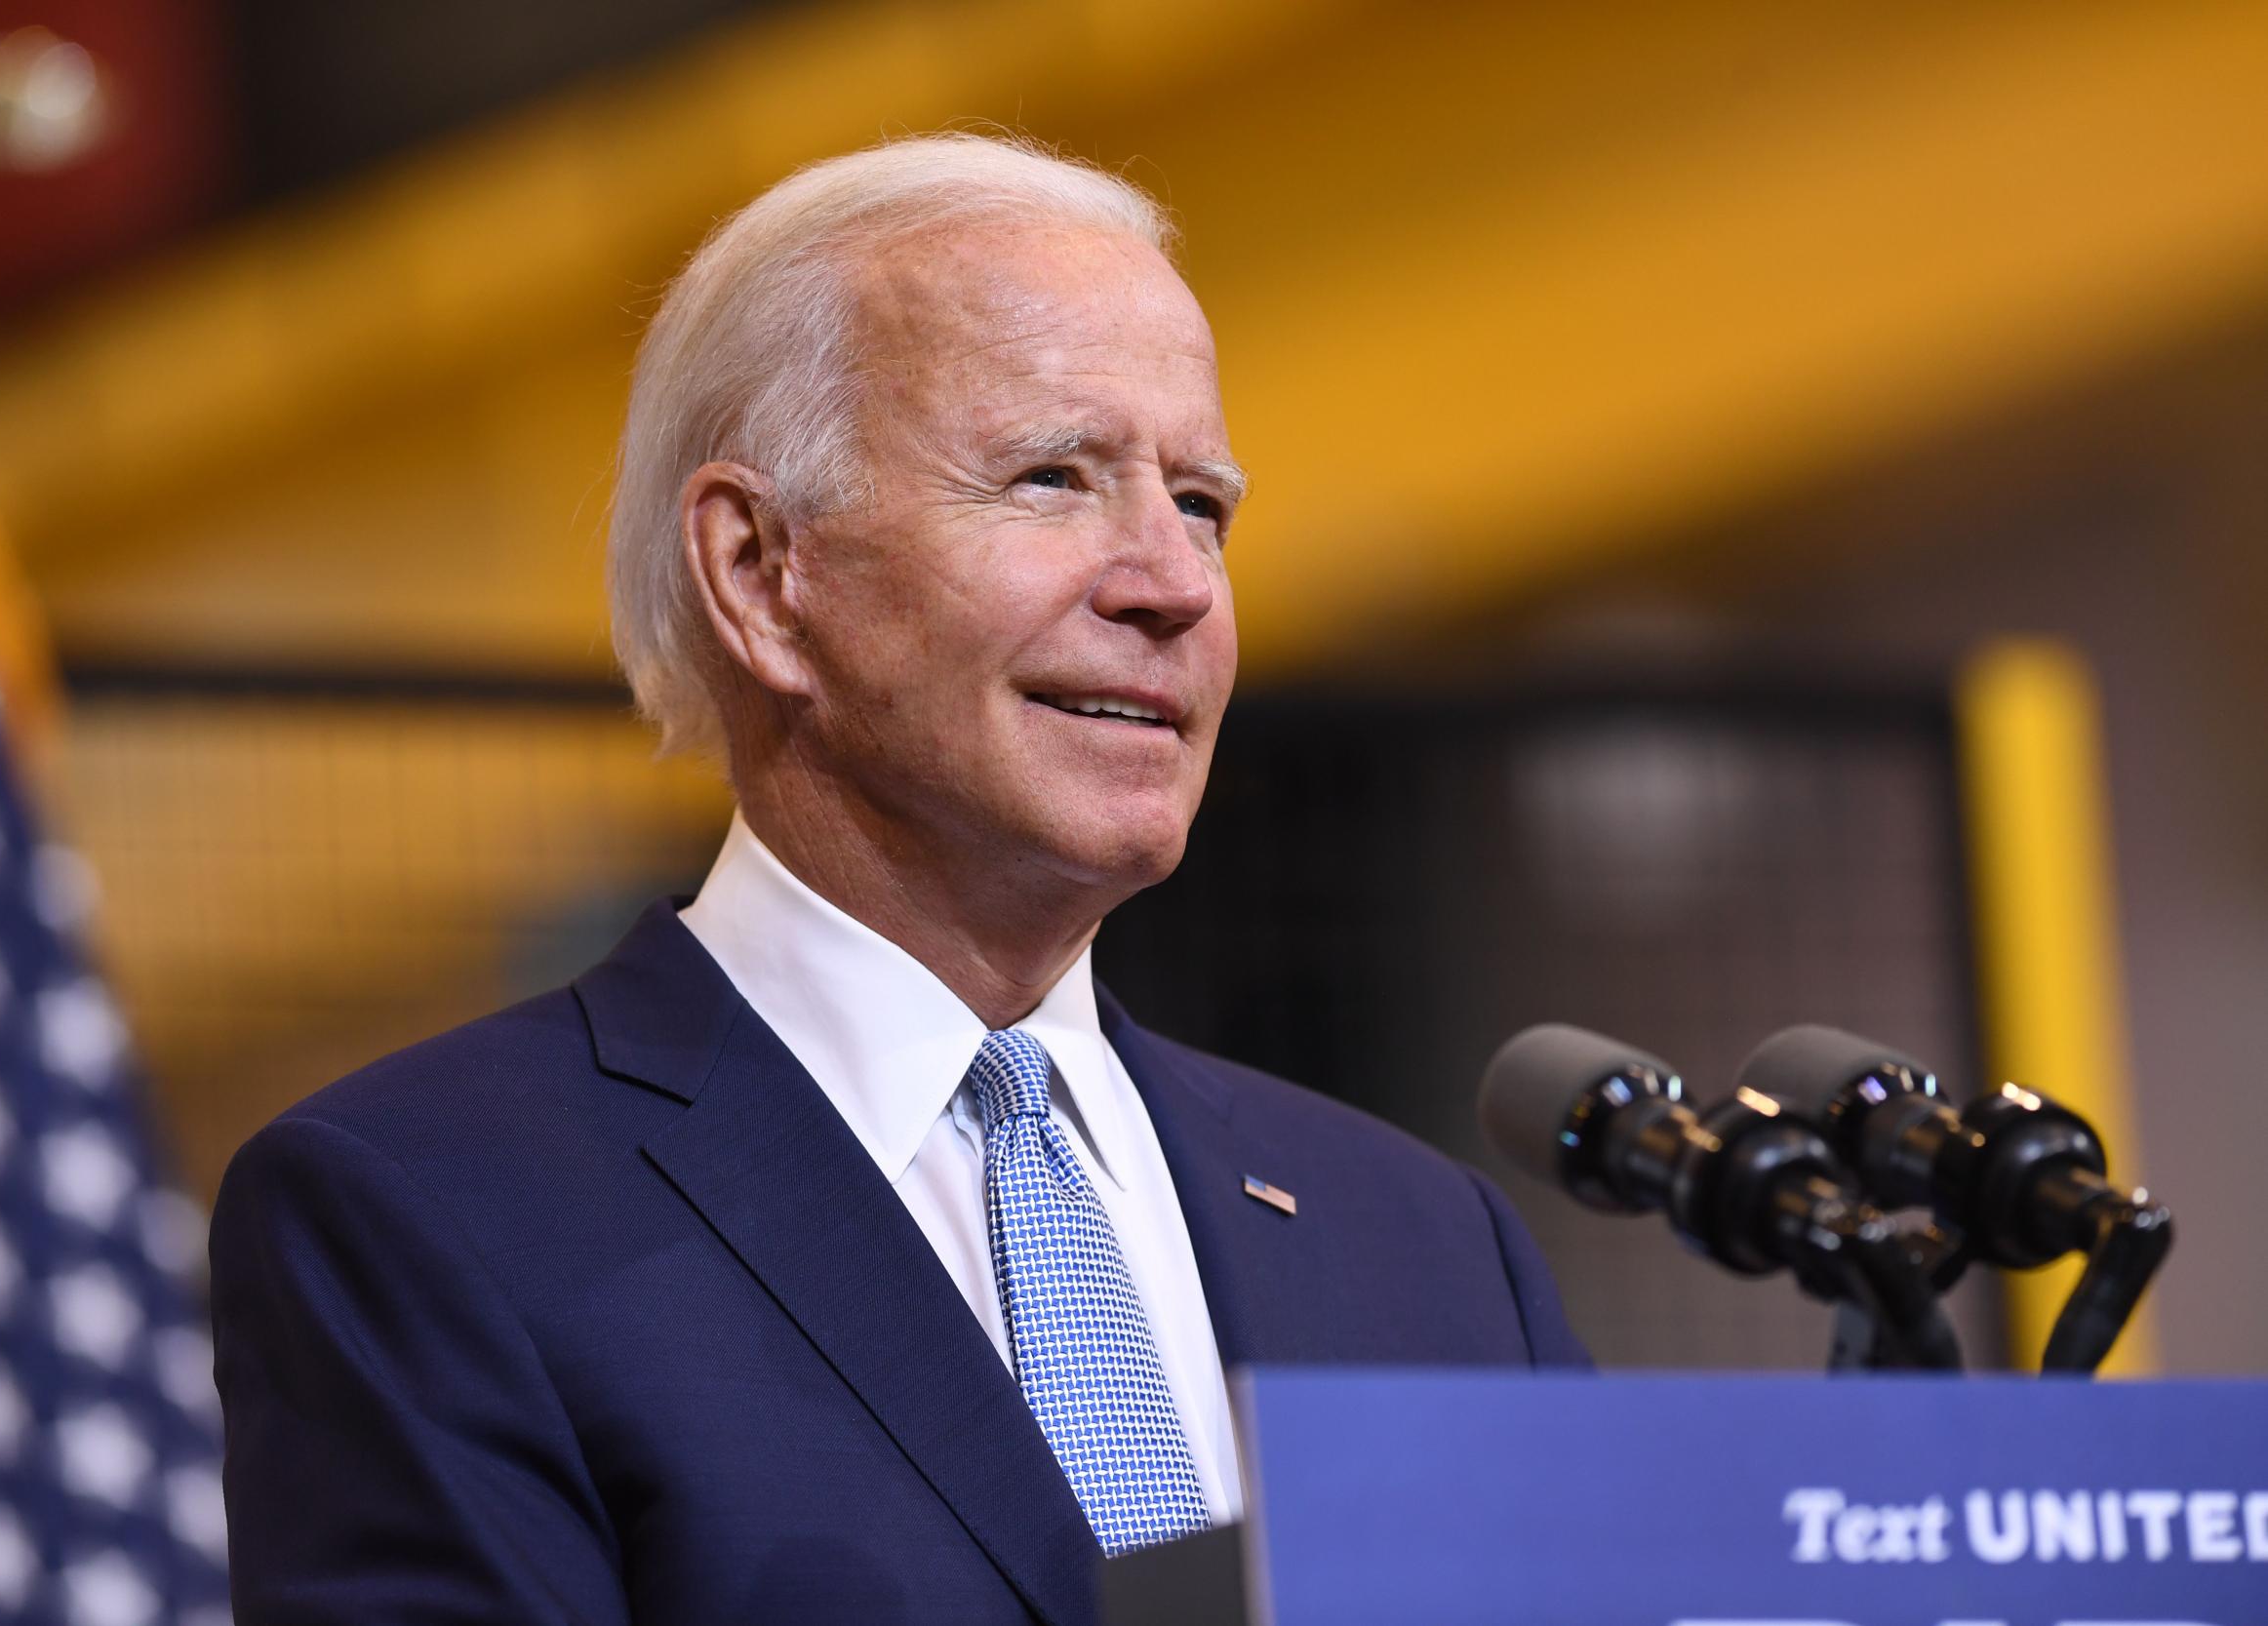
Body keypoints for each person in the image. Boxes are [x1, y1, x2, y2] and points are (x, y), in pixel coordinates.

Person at [210, 133, 1586, 1626]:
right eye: (1054, 477)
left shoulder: (1428, 1244)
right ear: (759, 574)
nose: (1174, 583)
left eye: (1199, 503)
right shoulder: (428, 1212)